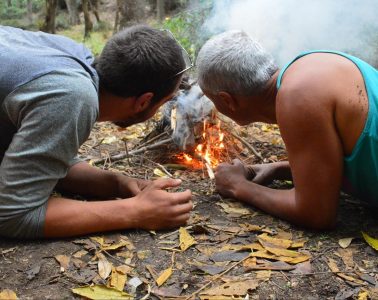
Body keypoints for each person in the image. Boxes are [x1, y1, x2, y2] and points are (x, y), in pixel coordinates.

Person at [0, 24, 193, 239]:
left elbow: (41, 163)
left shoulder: (70, 55)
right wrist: (135, 211)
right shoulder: (71, 95)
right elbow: (12, 214)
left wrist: (118, 184)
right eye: (163, 102)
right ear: (144, 101)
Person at [196, 30, 378, 230]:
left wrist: (238, 186)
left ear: (227, 100)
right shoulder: (312, 63)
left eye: (212, 100)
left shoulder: (298, 96)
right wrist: (278, 169)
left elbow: (316, 213)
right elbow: (336, 161)